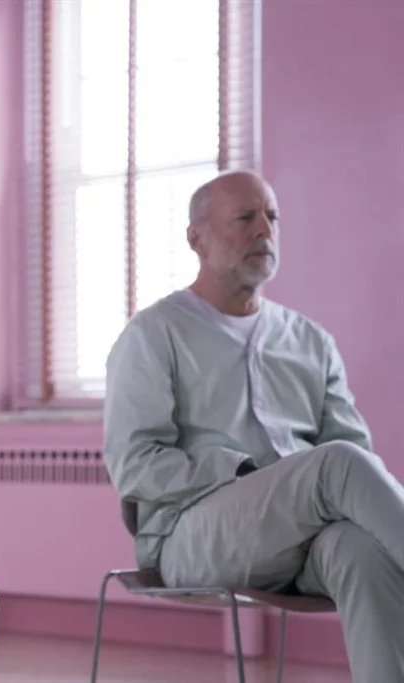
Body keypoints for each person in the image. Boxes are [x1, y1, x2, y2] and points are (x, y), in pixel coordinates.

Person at [103, 169, 404, 682]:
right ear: (196, 238)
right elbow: (134, 467)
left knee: (359, 550)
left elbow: (352, 448)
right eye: (245, 217)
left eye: (272, 217)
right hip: (192, 537)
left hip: (305, 537)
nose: (264, 230)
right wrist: (242, 472)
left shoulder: (310, 341)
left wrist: (302, 488)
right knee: (337, 465)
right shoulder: (153, 334)